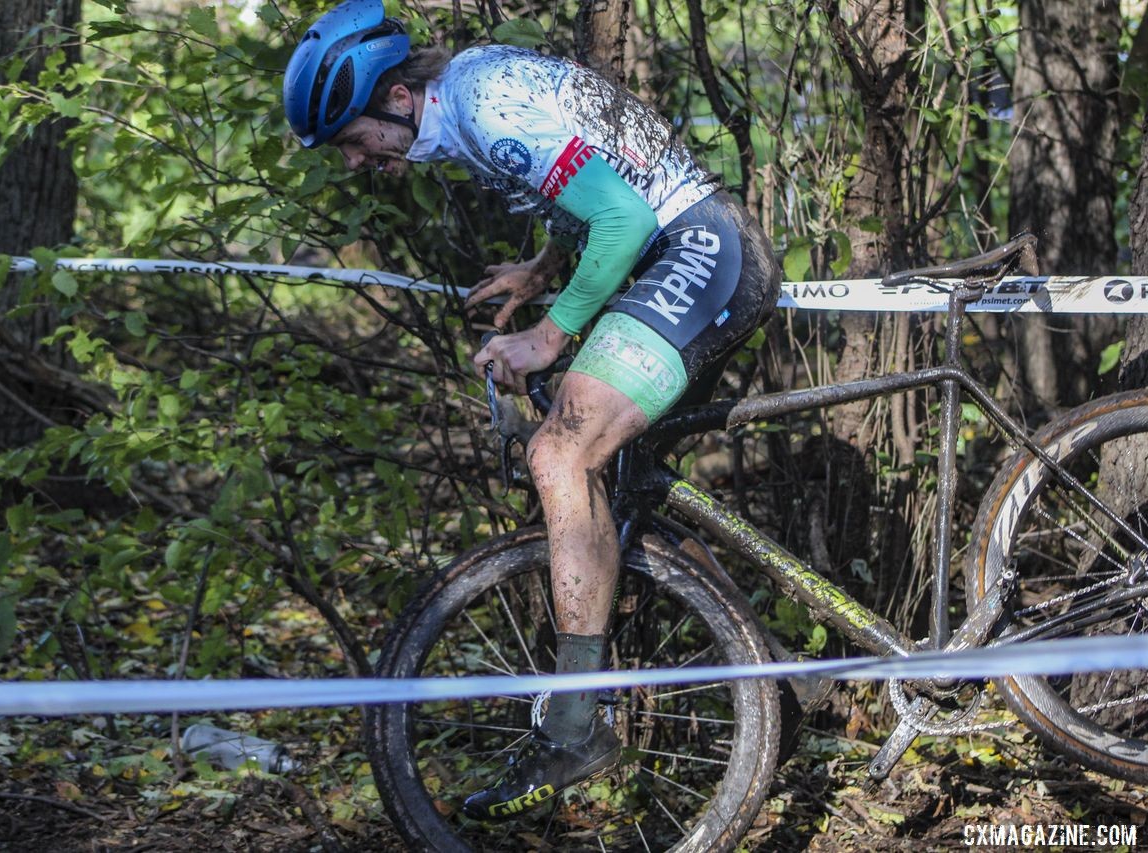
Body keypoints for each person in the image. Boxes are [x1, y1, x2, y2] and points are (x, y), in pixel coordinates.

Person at [283, 0, 781, 821]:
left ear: (396, 100)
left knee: (561, 454)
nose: (352, 162)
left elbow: (622, 216)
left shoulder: (480, 106)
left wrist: (549, 335)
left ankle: (577, 723)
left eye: (350, 139)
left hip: (700, 249)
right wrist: (543, 267)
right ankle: (759, 679)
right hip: (685, 247)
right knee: (595, 466)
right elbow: (594, 181)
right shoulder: (475, 96)